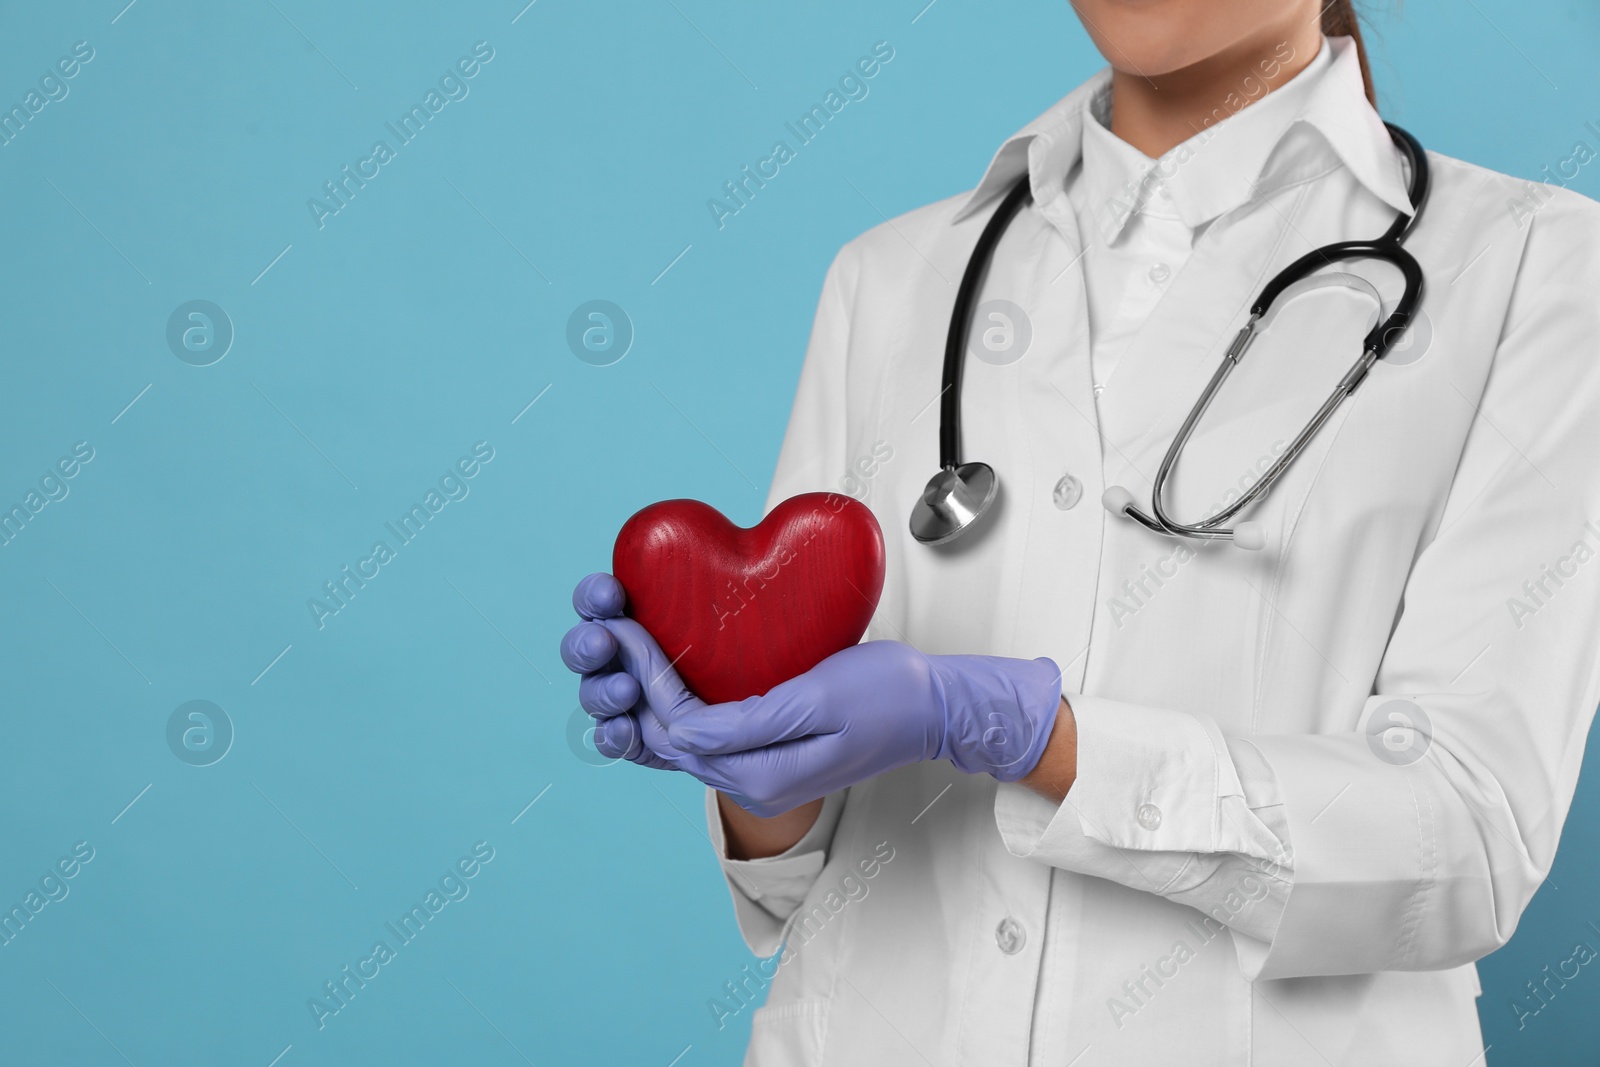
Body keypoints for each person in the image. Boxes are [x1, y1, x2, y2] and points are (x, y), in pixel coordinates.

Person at [561, 0, 1600, 1062]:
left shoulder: (1538, 270)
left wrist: (1038, 737)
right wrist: (749, 756)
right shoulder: (892, 275)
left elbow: (1468, 840)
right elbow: (792, 876)